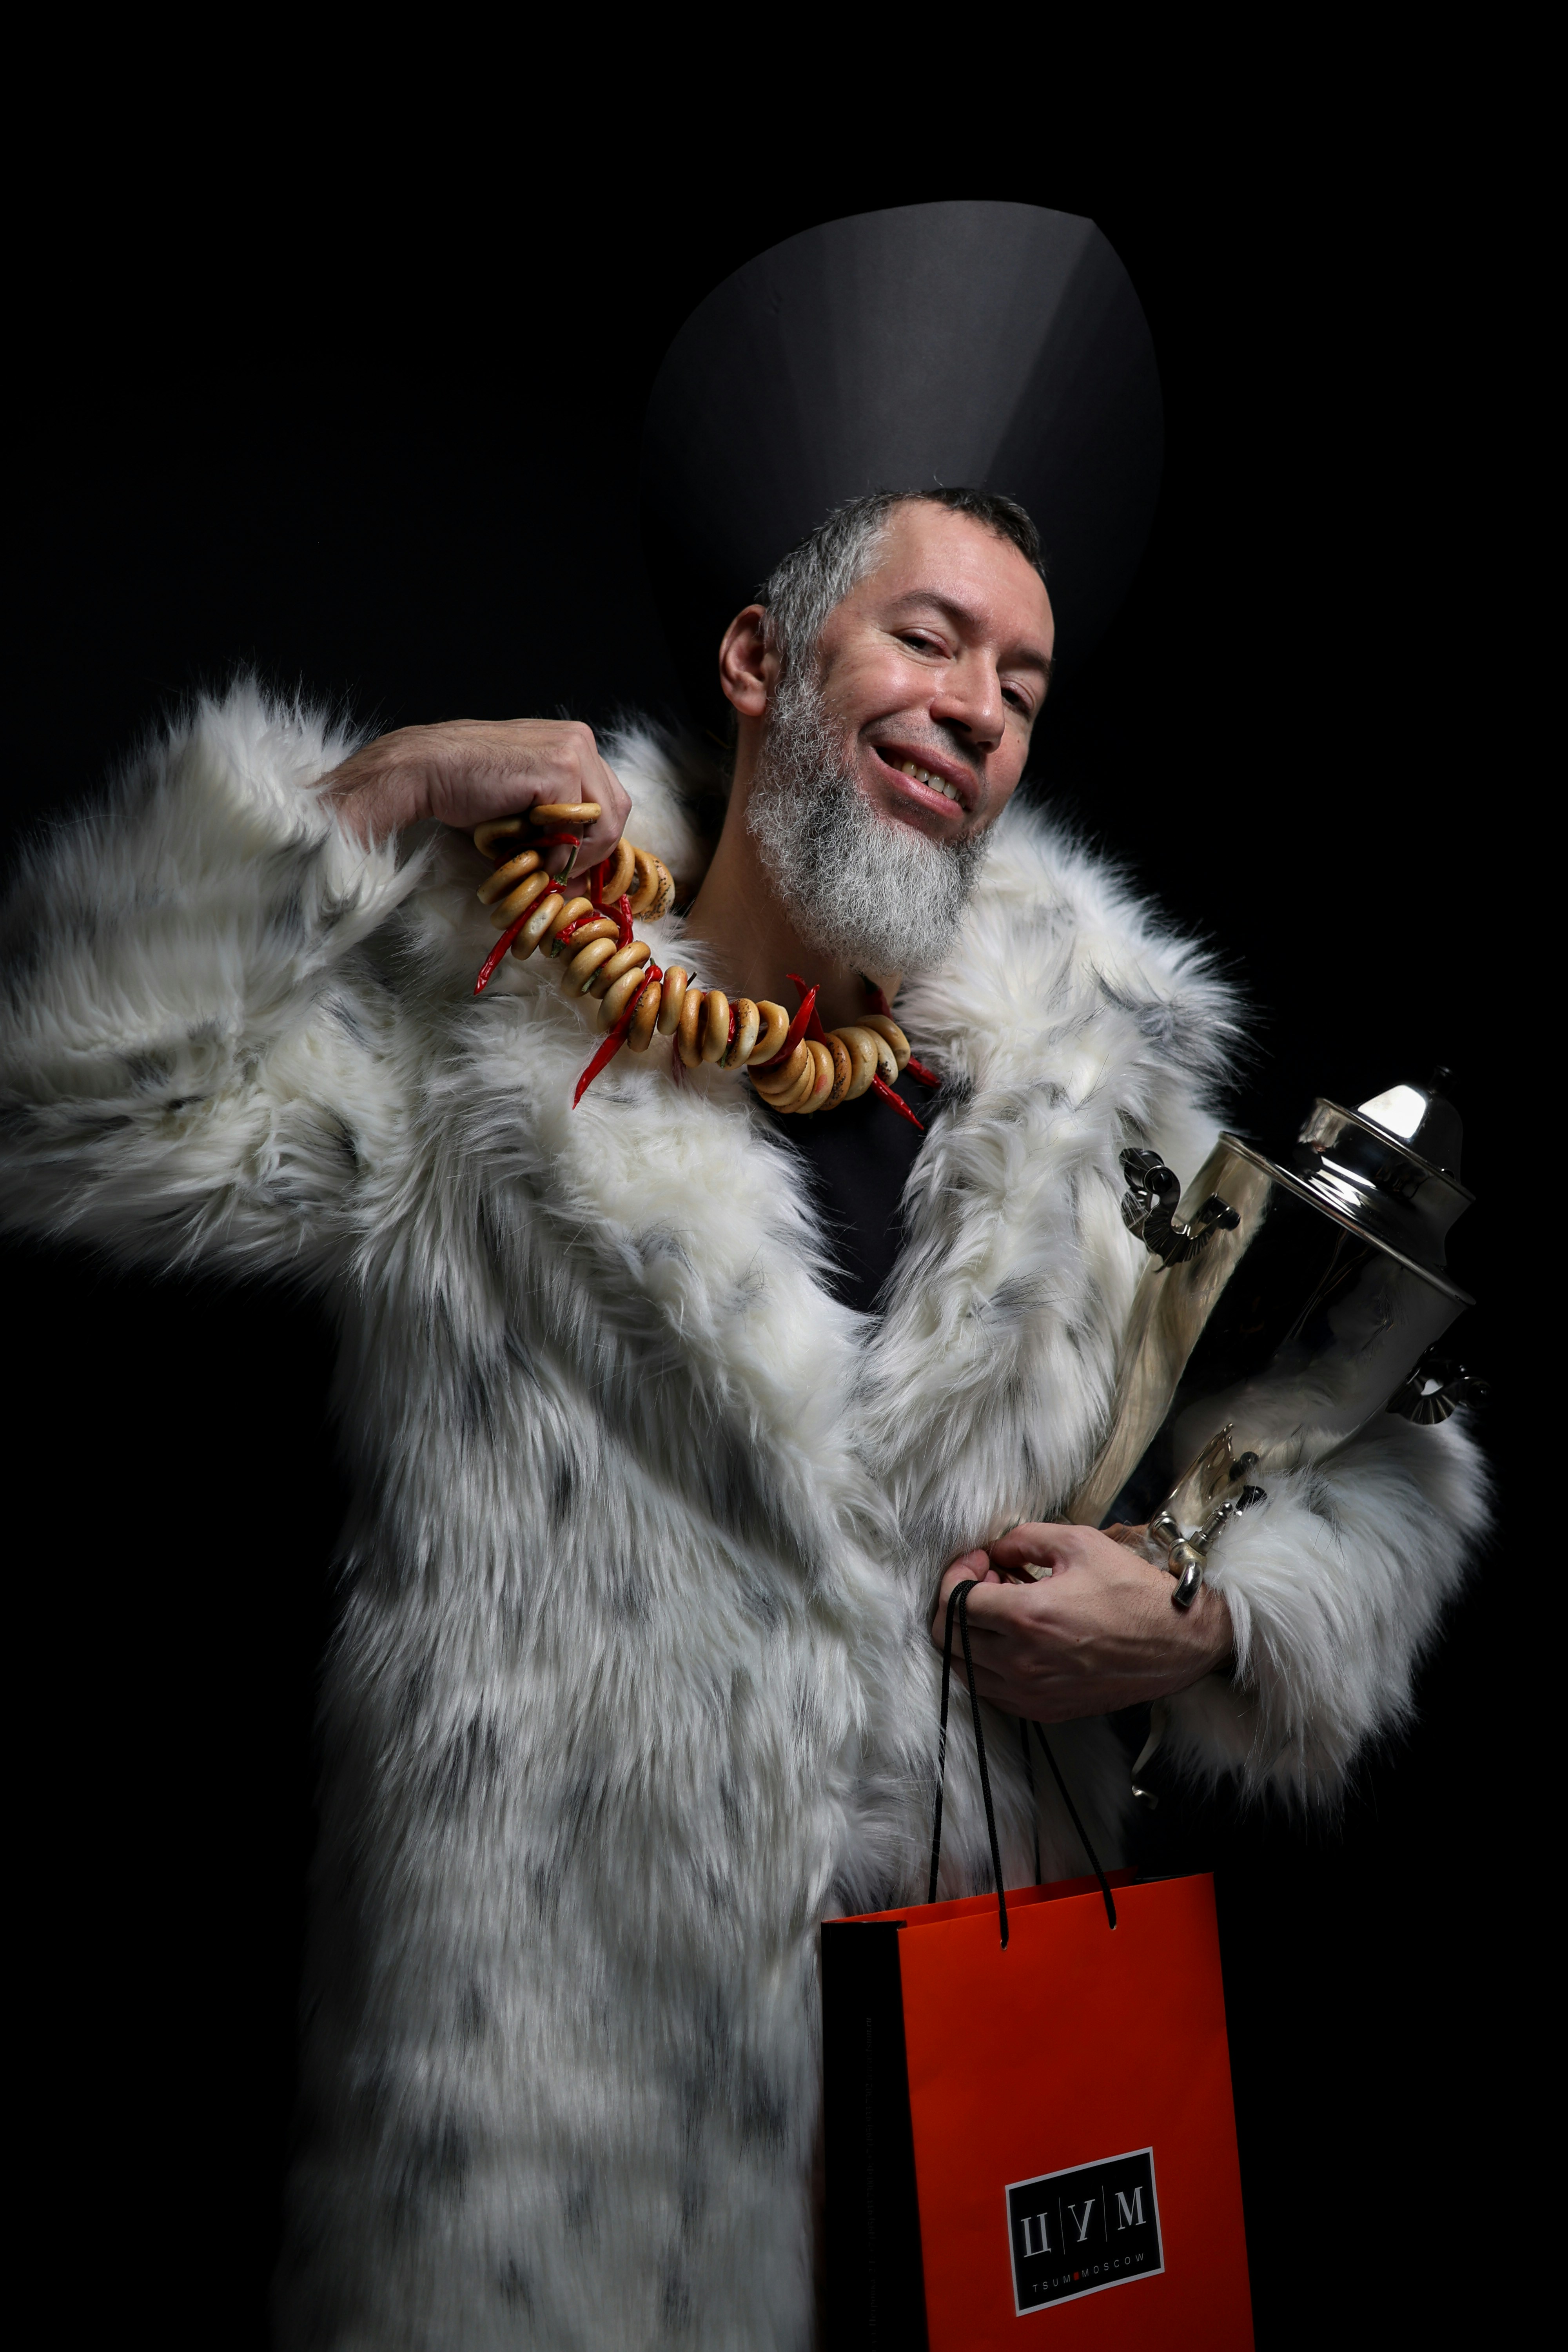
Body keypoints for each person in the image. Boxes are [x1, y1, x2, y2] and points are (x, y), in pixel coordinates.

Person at [0, 486, 1486, 2348]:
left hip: (997, 2091)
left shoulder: (1085, 1116)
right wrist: (374, 794)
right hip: (568, 2135)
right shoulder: (481, 1033)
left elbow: (1378, 1460)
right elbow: (60, 1105)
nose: (977, 707)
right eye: (928, 638)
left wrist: (1192, 1616)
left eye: (1021, 687)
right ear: (758, 658)